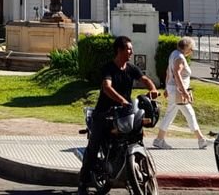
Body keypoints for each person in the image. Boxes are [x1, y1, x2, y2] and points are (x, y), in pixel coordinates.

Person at [78, 36, 159, 195]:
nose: (131, 51)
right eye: (128, 49)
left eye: (131, 48)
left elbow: (144, 79)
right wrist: (121, 100)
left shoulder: (131, 68)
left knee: (136, 135)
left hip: (125, 112)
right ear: (119, 50)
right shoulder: (108, 68)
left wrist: (153, 89)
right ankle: (83, 182)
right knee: (93, 148)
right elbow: (107, 87)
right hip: (104, 114)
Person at [153, 36, 210, 150]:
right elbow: (176, 73)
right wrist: (184, 91)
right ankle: (201, 140)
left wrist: (166, 87)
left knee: (171, 114)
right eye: (192, 49)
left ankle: (159, 139)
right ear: (187, 48)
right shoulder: (179, 57)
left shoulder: (174, 54)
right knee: (189, 113)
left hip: (173, 89)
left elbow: (168, 71)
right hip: (178, 91)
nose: (192, 52)